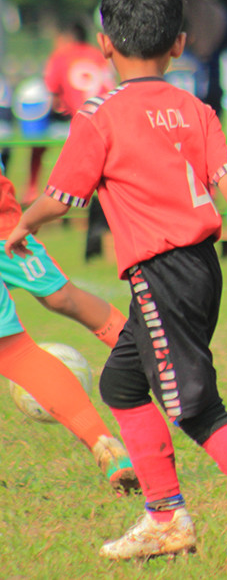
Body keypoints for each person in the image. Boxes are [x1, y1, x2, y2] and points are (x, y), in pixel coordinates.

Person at [6, 0, 227, 567]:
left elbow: (65, 196)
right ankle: (165, 518)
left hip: (160, 275)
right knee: (123, 385)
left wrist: (25, 221)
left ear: (105, 43)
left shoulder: (100, 115)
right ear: (179, 44)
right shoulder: (193, 107)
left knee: (195, 409)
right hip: (201, 268)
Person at [0, 168, 137, 495]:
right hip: (5, 221)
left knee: (21, 342)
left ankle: (157, 361)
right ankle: (106, 442)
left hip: (5, 224)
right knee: (56, 303)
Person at [43, 17, 116, 258]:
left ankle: (82, 227)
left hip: (83, 121)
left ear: (67, 38)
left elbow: (52, 95)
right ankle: (99, 232)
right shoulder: (98, 55)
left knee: (70, 179)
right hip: (110, 119)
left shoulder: (61, 57)